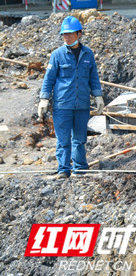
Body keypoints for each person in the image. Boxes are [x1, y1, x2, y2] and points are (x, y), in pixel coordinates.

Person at [38, 16, 104, 179]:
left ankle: (80, 168)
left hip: (82, 105)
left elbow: (93, 77)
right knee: (63, 140)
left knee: (80, 139)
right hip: (62, 106)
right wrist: (44, 99)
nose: (66, 37)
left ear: (79, 34)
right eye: (64, 34)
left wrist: (98, 96)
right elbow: (49, 78)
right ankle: (63, 170)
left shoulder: (88, 54)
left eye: (70, 33)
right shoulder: (57, 55)